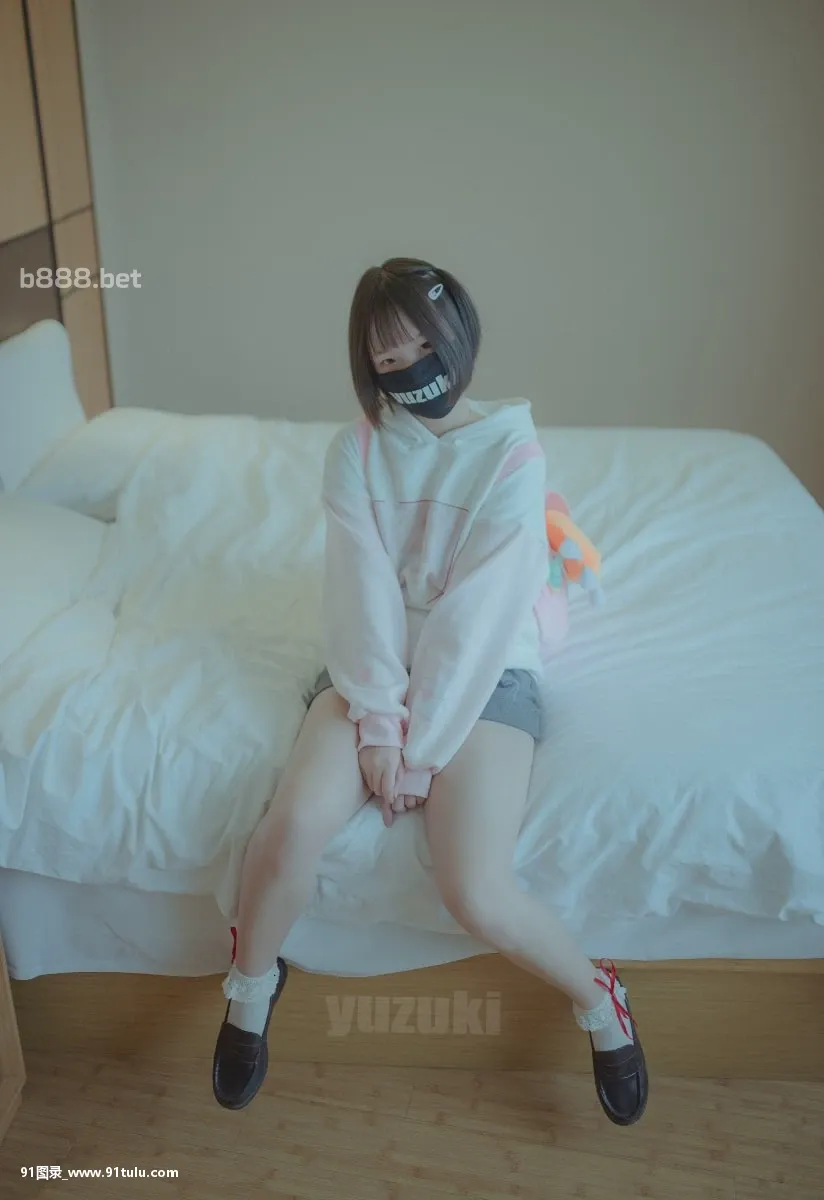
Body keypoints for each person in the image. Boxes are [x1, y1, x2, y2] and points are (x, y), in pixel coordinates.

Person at [212, 257, 648, 1125]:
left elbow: (477, 619)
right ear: (366, 368)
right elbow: (361, 593)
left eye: (423, 344)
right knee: (291, 826)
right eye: (387, 357)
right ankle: (251, 985)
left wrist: (419, 749)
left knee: (474, 889)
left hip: (488, 673)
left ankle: (600, 999)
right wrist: (379, 722)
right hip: (375, 671)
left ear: (460, 335)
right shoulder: (356, 451)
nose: (411, 367)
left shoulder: (513, 454)